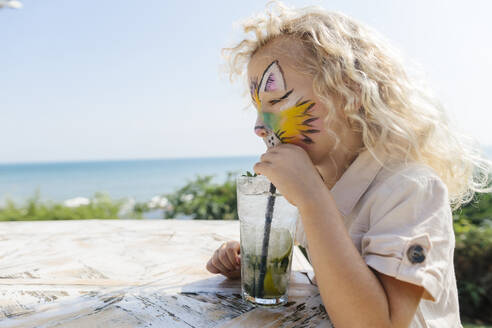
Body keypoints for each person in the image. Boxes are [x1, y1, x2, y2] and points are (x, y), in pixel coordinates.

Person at [206, 3, 491, 327]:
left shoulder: (410, 190)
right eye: (258, 107)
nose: (259, 127)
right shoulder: (325, 180)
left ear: (350, 93)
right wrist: (253, 258)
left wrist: (313, 200)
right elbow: (325, 258)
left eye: (276, 100)